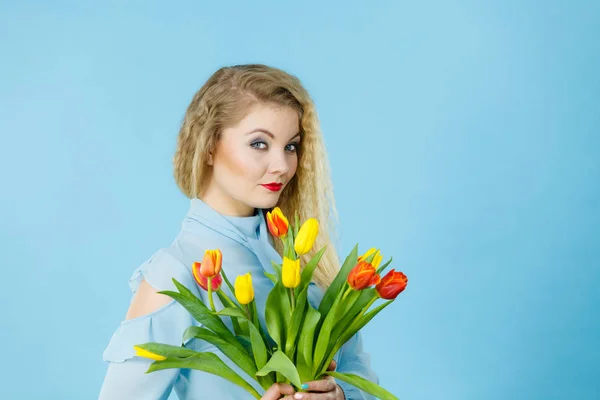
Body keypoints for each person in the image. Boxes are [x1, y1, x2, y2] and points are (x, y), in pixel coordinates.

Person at [99, 64, 379, 399]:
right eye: (259, 144)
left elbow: (365, 379)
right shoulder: (176, 274)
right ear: (208, 147)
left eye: (291, 146)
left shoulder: (304, 259)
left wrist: (341, 394)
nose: (282, 165)